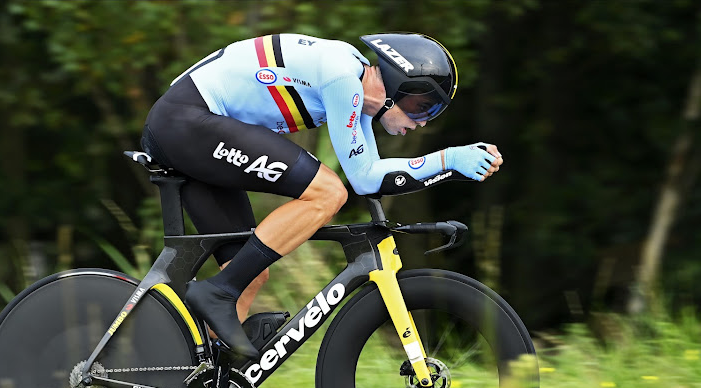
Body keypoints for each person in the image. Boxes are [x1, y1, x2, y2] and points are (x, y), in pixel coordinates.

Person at [140, 32, 503, 359]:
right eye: (423, 106)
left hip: (189, 124)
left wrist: (447, 167)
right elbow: (362, 181)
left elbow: (369, 173)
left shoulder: (356, 84)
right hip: (186, 120)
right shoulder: (343, 79)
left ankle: (194, 386)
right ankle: (216, 293)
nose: (423, 121)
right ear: (396, 86)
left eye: (432, 112)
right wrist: (449, 158)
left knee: (249, 275)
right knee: (328, 193)